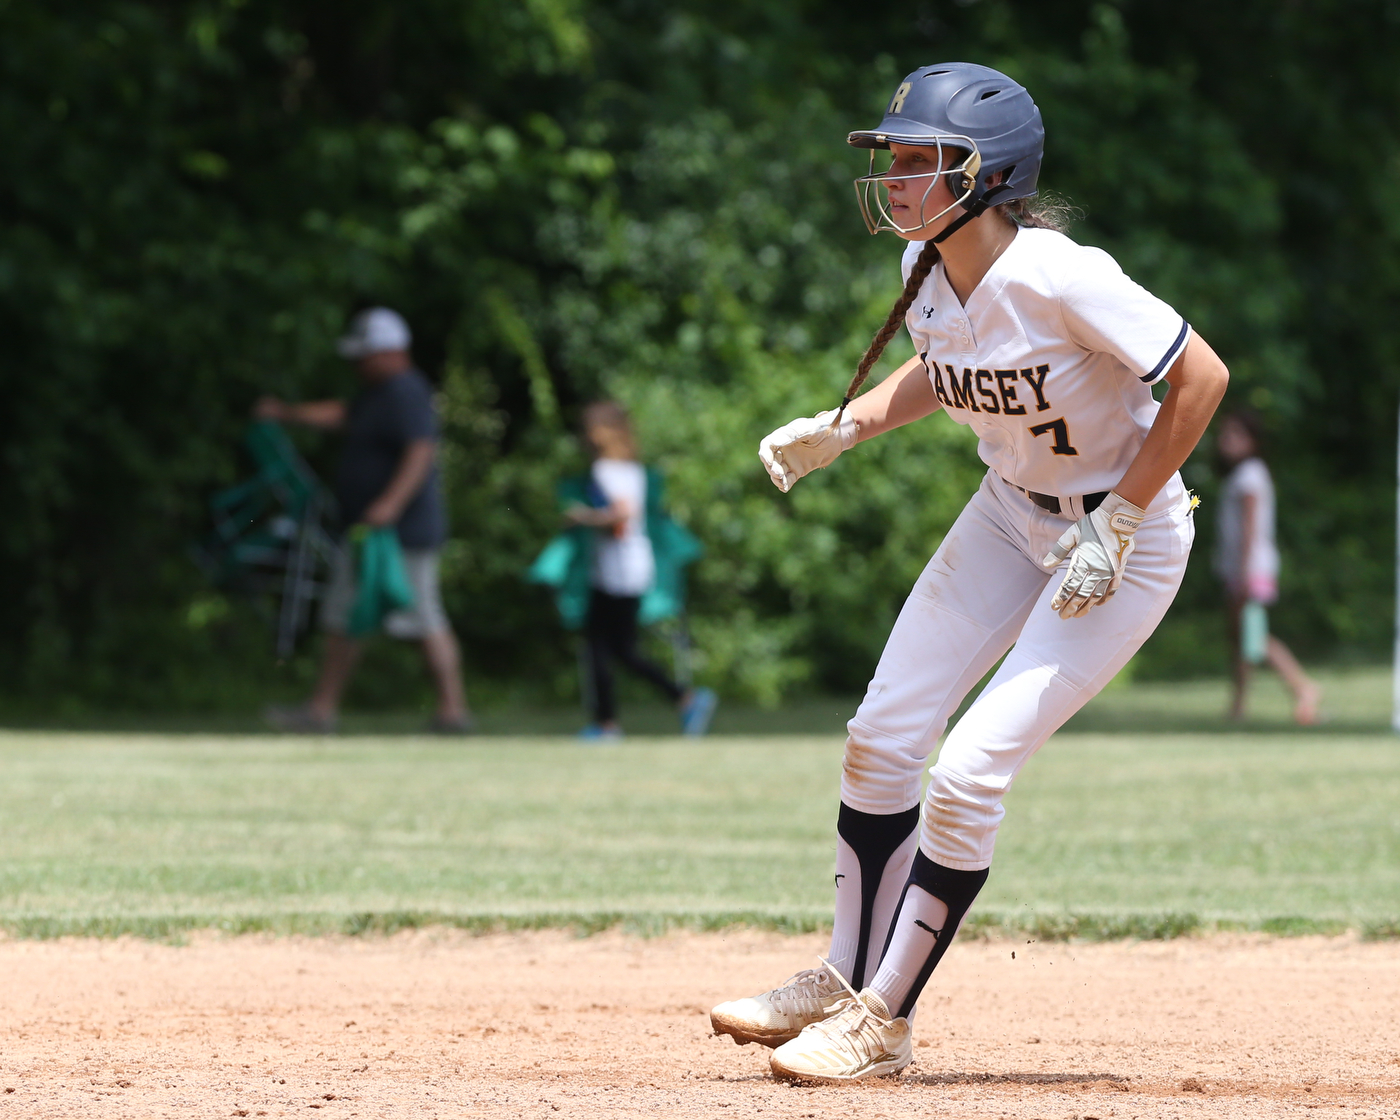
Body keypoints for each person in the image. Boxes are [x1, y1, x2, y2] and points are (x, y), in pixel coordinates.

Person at [708, 63, 1228, 1083]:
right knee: (880, 737)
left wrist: (1120, 517)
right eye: (891, 159)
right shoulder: (926, 267)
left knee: (967, 770)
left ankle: (882, 1021)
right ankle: (842, 973)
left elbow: (1198, 377)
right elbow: (949, 366)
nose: (896, 178)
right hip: (1007, 516)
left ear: (985, 175)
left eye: (919, 159)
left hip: (1124, 538)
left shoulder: (1057, 272)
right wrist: (848, 424)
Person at [256, 307, 473, 733]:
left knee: (421, 619)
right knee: (347, 614)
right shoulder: (376, 394)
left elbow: (420, 451)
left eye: (364, 354)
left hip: (399, 533)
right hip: (371, 531)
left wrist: (390, 504)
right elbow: (341, 415)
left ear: (391, 351)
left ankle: (452, 711)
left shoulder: (405, 391)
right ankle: (322, 709)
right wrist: (287, 413)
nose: (357, 363)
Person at [564, 401, 716, 739]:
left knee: (602, 650)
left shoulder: (604, 469)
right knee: (620, 650)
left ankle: (609, 724)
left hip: (615, 572)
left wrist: (581, 517)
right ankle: (683, 699)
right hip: (632, 568)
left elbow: (620, 517)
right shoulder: (633, 469)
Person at [1214, 409, 1320, 724]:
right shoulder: (1244, 474)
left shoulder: (1249, 475)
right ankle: (1239, 706)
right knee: (1242, 637)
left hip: (1249, 570)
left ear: (1254, 441)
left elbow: (1250, 529)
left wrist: (1244, 573)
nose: (1227, 440)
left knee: (1254, 637)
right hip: (1243, 569)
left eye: (1237, 434)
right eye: (1225, 433)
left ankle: (1304, 688)